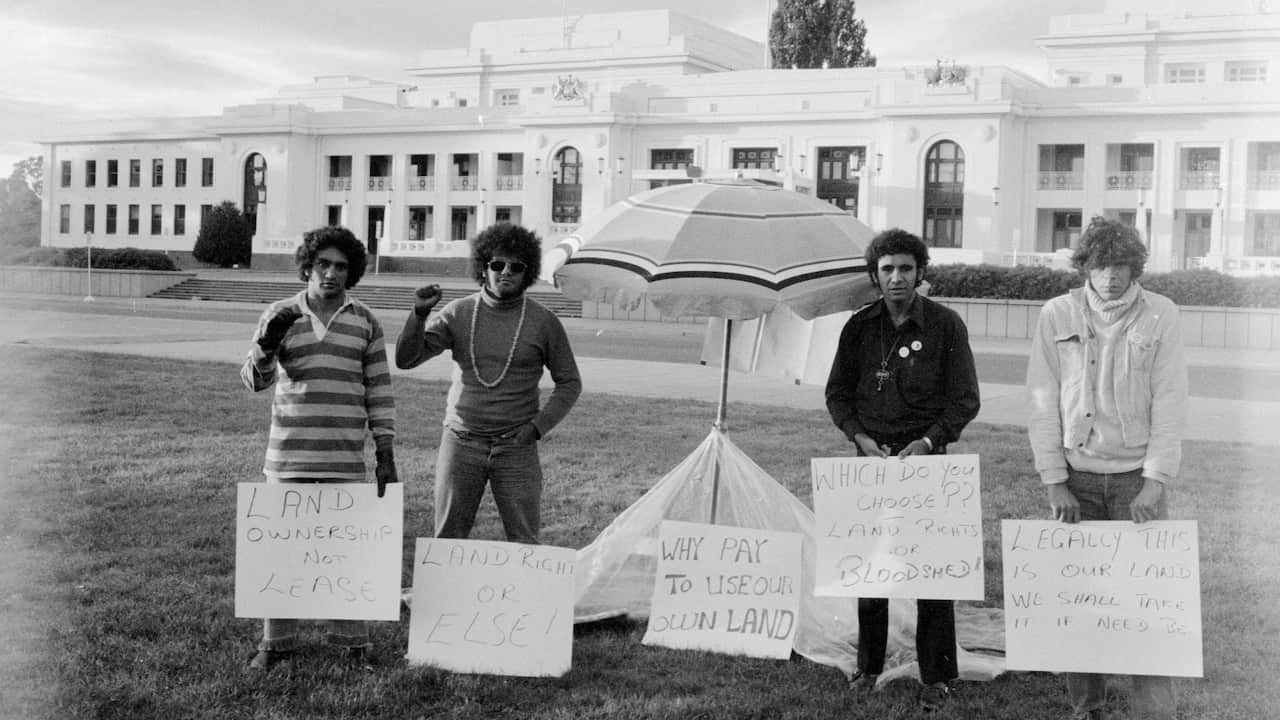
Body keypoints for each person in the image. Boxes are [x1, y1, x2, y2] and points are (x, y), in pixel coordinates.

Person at [1027, 217, 1187, 720]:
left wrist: (1154, 480)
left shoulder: (1162, 314)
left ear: (1134, 267)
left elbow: (1172, 401)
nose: (1111, 276)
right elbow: (1041, 401)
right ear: (1085, 267)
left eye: (1121, 265)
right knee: (1079, 604)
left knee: (1147, 605)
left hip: (1135, 482)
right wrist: (1055, 481)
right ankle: (1086, 709)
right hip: (1075, 478)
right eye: (1100, 265)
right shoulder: (1056, 314)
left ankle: (1154, 712)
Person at [824, 228, 980, 712]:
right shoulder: (858, 327)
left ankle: (936, 676)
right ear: (875, 275)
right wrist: (859, 436)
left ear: (920, 273)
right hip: (871, 464)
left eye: (906, 269)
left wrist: (930, 441)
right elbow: (837, 393)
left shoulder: (946, 326)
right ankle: (868, 666)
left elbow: (965, 399)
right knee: (870, 570)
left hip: (927, 464)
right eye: (887, 269)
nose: (896, 278)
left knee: (932, 575)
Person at [240, 226, 398, 671]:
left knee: (345, 555)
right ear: (308, 267)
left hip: (345, 458)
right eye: (323, 265)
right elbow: (256, 383)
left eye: (341, 267)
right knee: (282, 553)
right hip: (288, 457)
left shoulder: (365, 320)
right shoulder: (279, 312)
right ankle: (277, 645)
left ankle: (352, 646)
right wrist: (266, 346)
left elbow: (379, 389)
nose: (331, 274)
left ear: (353, 273)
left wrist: (384, 451)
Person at [396, 222, 581, 544]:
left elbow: (569, 382)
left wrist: (536, 428)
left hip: (516, 448)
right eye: (497, 264)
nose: (505, 272)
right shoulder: (458, 312)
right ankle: (445, 596)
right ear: (483, 268)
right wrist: (419, 315)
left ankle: (525, 596)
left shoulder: (544, 322)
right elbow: (406, 360)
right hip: (461, 441)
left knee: (524, 541)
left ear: (528, 272)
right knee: (448, 539)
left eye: (516, 266)